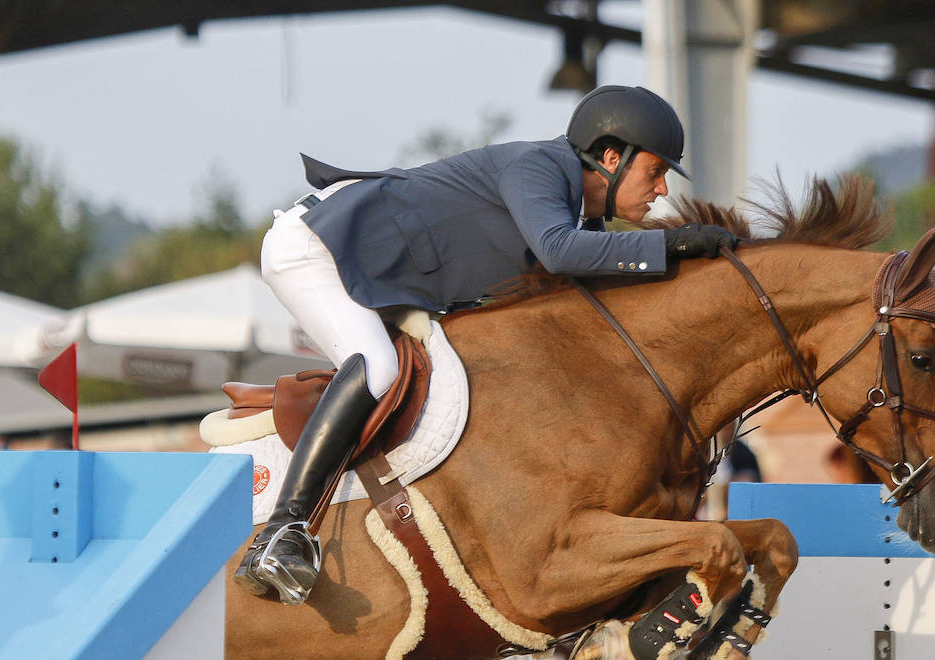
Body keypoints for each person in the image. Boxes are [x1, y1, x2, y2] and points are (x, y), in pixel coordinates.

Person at [236, 85, 738, 605]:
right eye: (654, 172)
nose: (660, 190)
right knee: (378, 367)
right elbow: (560, 251)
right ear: (612, 157)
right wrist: (674, 242)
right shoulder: (538, 167)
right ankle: (282, 532)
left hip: (376, 272)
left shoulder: (579, 216)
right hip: (316, 247)